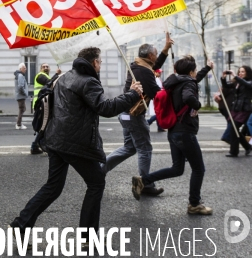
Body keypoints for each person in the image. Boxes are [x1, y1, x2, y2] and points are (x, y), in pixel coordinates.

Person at [10, 47, 143, 240]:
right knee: (96, 182)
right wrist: (132, 94)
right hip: (75, 143)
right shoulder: (89, 82)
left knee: (53, 187)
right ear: (95, 63)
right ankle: (87, 237)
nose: (101, 65)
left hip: (55, 139)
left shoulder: (66, 76)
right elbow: (105, 108)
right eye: (101, 62)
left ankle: (20, 225)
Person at [132, 56, 213, 215]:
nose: (196, 73)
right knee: (199, 169)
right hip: (185, 132)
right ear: (190, 72)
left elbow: (192, 83)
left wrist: (207, 68)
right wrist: (197, 105)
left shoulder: (172, 82)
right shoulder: (189, 83)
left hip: (174, 131)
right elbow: (189, 96)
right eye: (195, 71)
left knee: (177, 168)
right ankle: (194, 204)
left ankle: (144, 180)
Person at [102, 33, 173, 197]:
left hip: (126, 114)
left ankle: (99, 171)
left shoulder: (139, 66)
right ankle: (145, 184)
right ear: (150, 56)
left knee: (129, 148)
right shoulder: (143, 71)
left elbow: (154, 68)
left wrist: (165, 49)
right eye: (155, 54)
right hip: (134, 115)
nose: (156, 57)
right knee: (145, 148)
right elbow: (157, 93)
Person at [221, 66, 252, 157]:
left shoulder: (249, 81)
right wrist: (223, 78)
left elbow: (248, 85)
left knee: (233, 128)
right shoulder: (237, 82)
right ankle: (247, 147)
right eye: (239, 71)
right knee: (233, 128)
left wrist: (235, 76)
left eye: (243, 72)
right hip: (235, 108)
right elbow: (226, 86)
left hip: (244, 109)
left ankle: (234, 151)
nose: (240, 73)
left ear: (248, 73)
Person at [31, 67, 62, 155]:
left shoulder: (46, 76)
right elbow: (49, 83)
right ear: (40, 68)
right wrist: (56, 74)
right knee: (43, 125)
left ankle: (37, 146)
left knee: (44, 125)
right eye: (43, 66)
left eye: (47, 66)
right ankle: (36, 145)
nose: (45, 68)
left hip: (44, 104)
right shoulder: (40, 76)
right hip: (41, 104)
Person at [14, 63, 28, 130]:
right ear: (20, 69)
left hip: (20, 95)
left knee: (22, 109)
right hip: (21, 96)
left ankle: (19, 123)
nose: (26, 69)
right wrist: (25, 93)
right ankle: (18, 124)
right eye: (24, 68)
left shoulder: (18, 75)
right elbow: (20, 86)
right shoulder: (20, 76)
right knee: (22, 109)